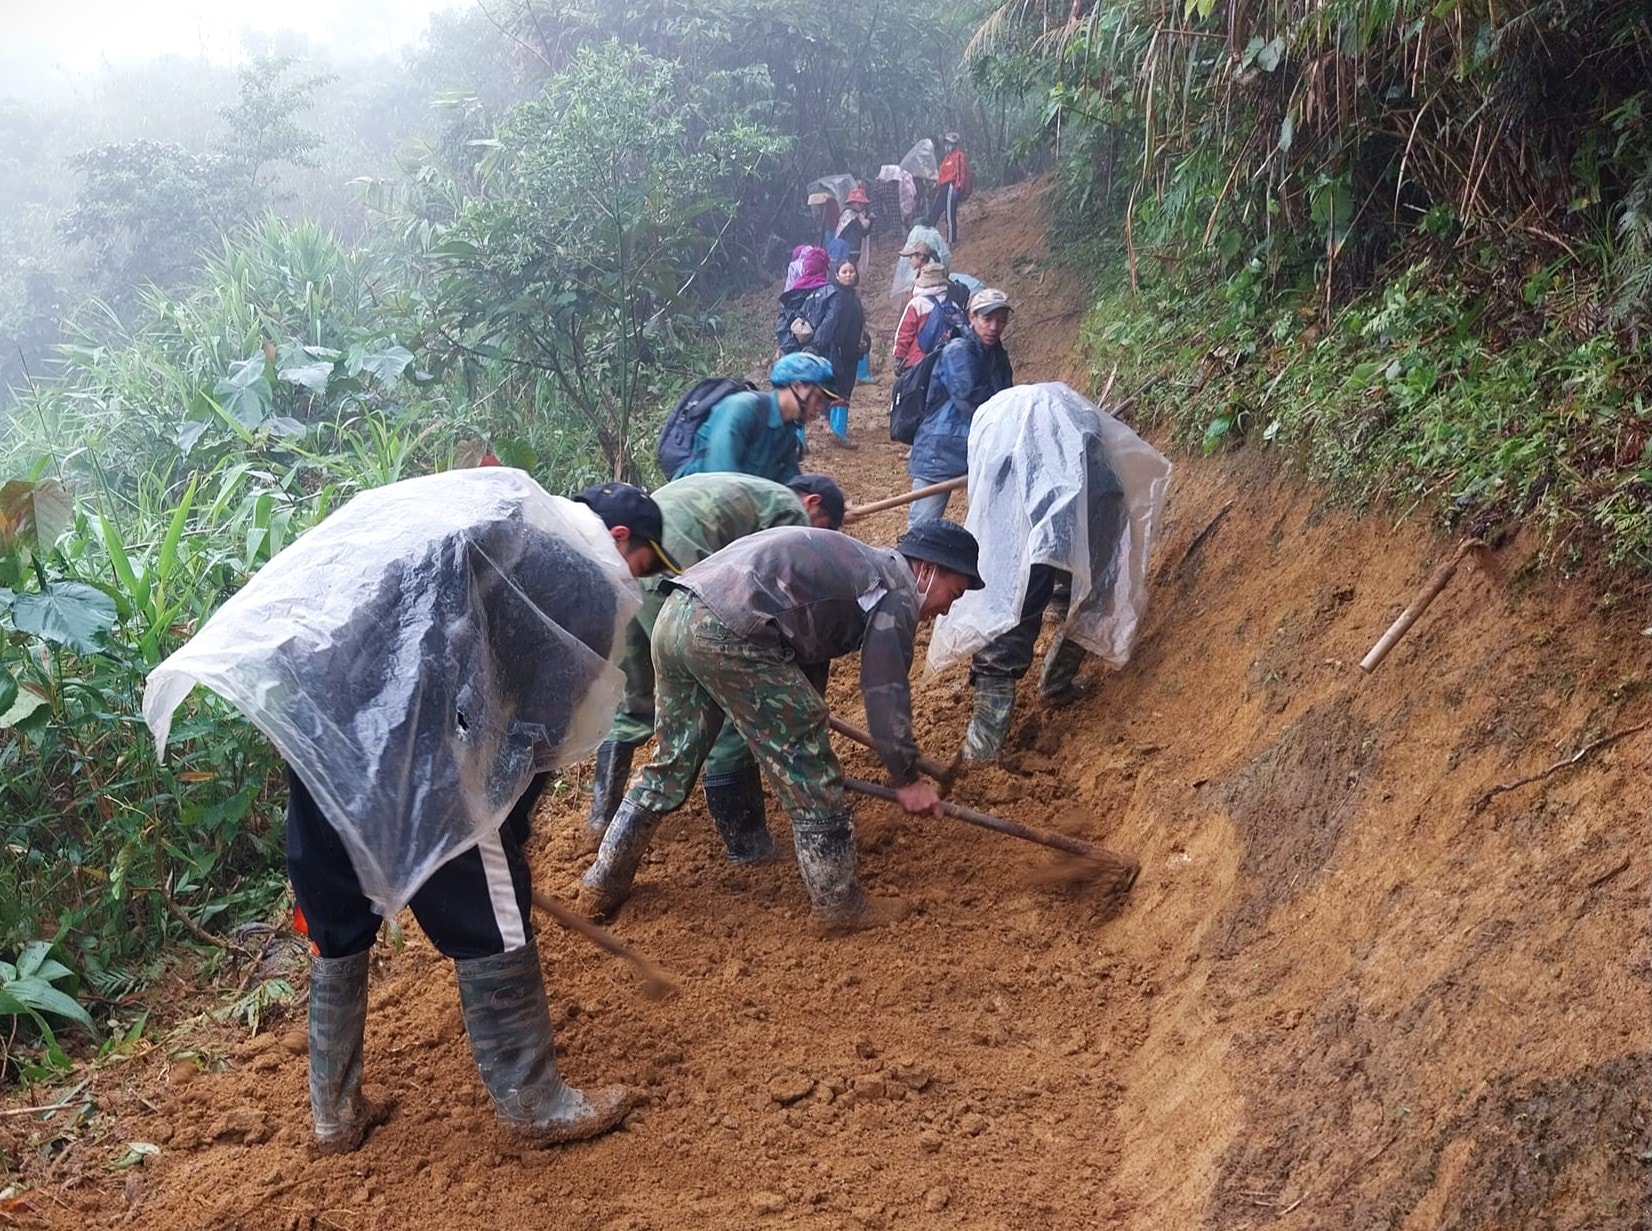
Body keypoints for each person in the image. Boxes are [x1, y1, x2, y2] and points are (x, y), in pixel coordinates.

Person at [142, 469, 681, 1153]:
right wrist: (503, 829)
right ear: (619, 536)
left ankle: (333, 1115)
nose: (636, 580)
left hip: (328, 729)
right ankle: (535, 1103)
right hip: (416, 744)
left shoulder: (490, 522)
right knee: (493, 910)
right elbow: (540, 728)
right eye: (642, 562)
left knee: (336, 911)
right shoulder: (577, 574)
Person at [579, 520, 986, 932]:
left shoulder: (859, 568)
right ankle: (839, 904)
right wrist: (906, 778)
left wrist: (798, 718)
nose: (947, 609)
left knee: (672, 762)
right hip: (728, 629)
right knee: (811, 768)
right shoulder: (895, 590)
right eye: (953, 593)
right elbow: (884, 688)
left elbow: (806, 646)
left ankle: (602, 882)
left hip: (677, 616)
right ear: (928, 568)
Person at [584, 472, 848, 856]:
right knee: (728, 696)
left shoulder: (752, 490)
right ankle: (746, 842)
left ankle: (600, 819)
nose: (822, 536)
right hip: (668, 564)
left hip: (632, 560)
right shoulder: (792, 517)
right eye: (826, 528)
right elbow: (786, 610)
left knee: (634, 699)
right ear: (812, 504)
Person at [924, 383, 1172, 762]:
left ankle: (1048, 690)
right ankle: (984, 745)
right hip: (1050, 504)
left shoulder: (1076, 451)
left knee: (1087, 589)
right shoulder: (1014, 470)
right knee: (1018, 603)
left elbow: (1104, 545)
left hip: (1086, 500)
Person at [908, 288, 1015, 525]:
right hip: (940, 449)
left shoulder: (998, 356)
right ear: (972, 317)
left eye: (1001, 321)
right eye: (987, 319)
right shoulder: (957, 350)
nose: (994, 327)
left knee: (992, 522)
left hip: (979, 449)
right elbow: (971, 401)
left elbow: (1007, 398)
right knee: (923, 525)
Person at [672, 353, 840, 483]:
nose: (819, 409)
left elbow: (792, 491)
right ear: (796, 386)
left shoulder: (787, 435)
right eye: (817, 398)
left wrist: (829, 507)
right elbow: (722, 482)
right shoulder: (742, 408)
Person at [805, 258, 869, 447]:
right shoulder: (834, 296)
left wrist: (866, 343)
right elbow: (828, 324)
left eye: (851, 272)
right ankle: (836, 431)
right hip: (835, 351)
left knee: (845, 389)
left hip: (852, 352)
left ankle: (833, 427)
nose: (849, 275)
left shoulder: (854, 299)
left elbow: (860, 326)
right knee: (836, 389)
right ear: (836, 274)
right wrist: (818, 346)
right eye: (844, 272)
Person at [893, 263, 953, 373]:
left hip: (918, 360)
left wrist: (899, 357)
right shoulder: (951, 303)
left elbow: (905, 333)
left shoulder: (917, 304)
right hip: (946, 361)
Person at [776, 247, 829, 355]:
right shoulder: (829, 293)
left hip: (795, 352)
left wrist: (790, 350)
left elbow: (782, 324)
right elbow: (830, 322)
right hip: (820, 354)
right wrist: (814, 347)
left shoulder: (793, 293)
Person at [927, 132, 972, 245]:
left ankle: (952, 241)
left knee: (949, 215)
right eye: (946, 143)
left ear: (953, 144)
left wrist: (958, 187)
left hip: (952, 187)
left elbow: (961, 172)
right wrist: (936, 184)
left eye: (948, 143)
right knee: (935, 212)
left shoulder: (959, 155)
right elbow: (942, 174)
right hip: (943, 187)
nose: (946, 145)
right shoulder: (947, 158)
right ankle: (927, 239)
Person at [835, 184, 875, 270]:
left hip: (855, 251)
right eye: (859, 203)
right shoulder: (849, 217)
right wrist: (868, 221)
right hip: (848, 252)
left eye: (862, 204)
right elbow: (861, 232)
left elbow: (864, 233)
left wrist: (870, 221)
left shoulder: (858, 217)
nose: (861, 206)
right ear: (852, 203)